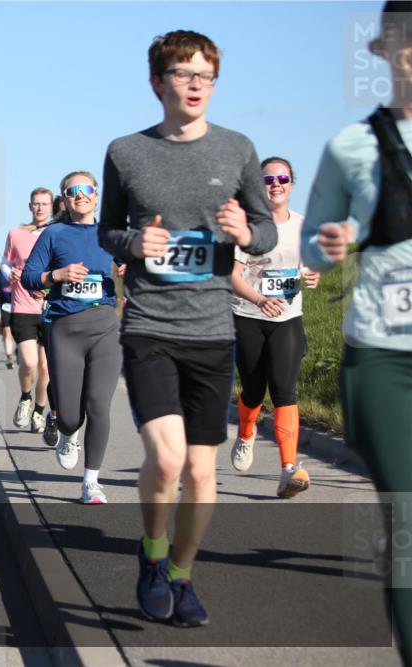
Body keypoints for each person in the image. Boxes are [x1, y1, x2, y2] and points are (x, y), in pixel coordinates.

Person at [98, 32, 277, 627]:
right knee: (168, 461)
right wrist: (133, 242)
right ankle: (151, 556)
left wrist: (247, 234)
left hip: (211, 330)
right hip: (150, 325)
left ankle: (182, 574)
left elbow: (264, 228)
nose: (197, 84)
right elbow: (108, 231)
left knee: (203, 472)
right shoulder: (126, 151)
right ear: (158, 82)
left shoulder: (237, 149)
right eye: (184, 73)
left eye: (207, 75)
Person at [301, 4, 412, 662]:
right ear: (383, 50)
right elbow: (312, 249)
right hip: (384, 355)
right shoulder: (352, 146)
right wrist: (330, 242)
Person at [24, 171, 123, 504]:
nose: (80, 195)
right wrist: (57, 275)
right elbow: (28, 277)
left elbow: (137, 263)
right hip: (65, 326)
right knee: (70, 415)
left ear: (96, 195)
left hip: (105, 324)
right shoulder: (54, 233)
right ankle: (67, 432)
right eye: (72, 191)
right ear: (64, 199)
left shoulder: (111, 233)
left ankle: (91, 481)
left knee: (99, 404)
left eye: (86, 189)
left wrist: (130, 267)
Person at [229, 157, 320, 498]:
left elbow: (309, 268)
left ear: (292, 185)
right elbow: (232, 276)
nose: (275, 184)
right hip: (249, 315)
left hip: (287, 318)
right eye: (268, 180)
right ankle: (247, 432)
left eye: (282, 178)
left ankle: (288, 469)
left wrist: (312, 276)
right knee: (253, 390)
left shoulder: (303, 225)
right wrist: (258, 299)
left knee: (285, 390)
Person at [3, 187, 53, 433]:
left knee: (46, 368)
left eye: (45, 203)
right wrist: (9, 273)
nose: (40, 207)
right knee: (30, 363)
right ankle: (25, 397)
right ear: (30, 206)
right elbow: (5, 262)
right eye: (36, 203)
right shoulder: (17, 233)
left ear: (53, 206)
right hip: (22, 305)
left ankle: (39, 411)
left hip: (49, 307)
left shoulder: (58, 233)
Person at [0, 266, 16, 368]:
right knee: (7, 331)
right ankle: (9, 357)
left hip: (19, 305)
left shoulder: (21, 267)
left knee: (17, 331)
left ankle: (19, 350)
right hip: (5, 305)